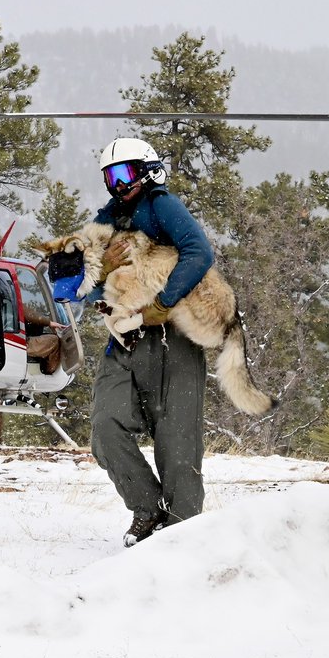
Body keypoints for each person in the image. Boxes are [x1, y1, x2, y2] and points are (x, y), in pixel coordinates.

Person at [70, 137, 214, 547]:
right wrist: (97, 271)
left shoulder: (161, 205)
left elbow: (199, 252)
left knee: (178, 441)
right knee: (104, 426)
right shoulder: (109, 217)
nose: (117, 185)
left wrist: (163, 302)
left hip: (174, 338)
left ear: (147, 171)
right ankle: (147, 507)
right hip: (126, 338)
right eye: (109, 177)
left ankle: (181, 531)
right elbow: (83, 276)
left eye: (124, 174)